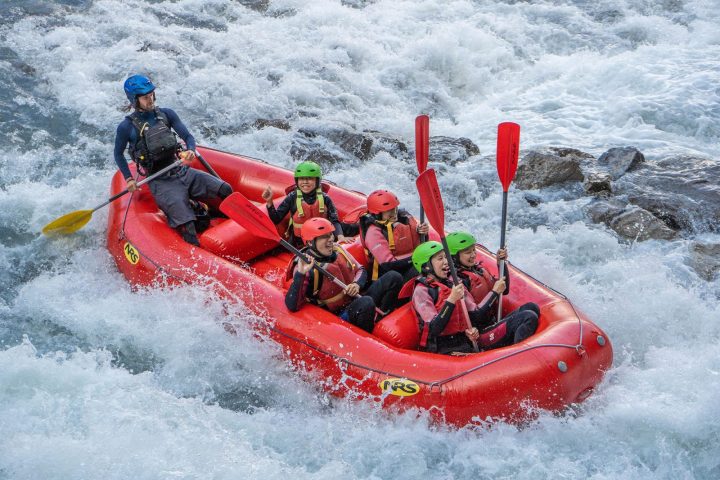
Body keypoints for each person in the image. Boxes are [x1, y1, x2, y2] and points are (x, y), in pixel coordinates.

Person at [114, 74, 232, 246]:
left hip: (181, 171)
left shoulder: (166, 114)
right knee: (188, 226)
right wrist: (129, 179)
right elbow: (118, 154)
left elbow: (188, 136)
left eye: (152, 95)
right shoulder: (126, 127)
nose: (151, 100)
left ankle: (228, 222)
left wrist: (190, 150)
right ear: (135, 100)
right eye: (145, 97)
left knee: (225, 189)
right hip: (160, 181)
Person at [408, 241, 538, 355]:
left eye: (446, 257)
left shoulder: (452, 281)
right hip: (444, 348)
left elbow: (467, 315)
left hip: (465, 339)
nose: (446, 262)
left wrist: (469, 331)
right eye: (440, 259)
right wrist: (451, 300)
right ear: (426, 266)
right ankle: (519, 359)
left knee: (532, 308)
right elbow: (434, 328)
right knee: (528, 316)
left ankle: (518, 355)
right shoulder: (422, 291)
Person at [285, 218, 403, 333]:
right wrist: (301, 274)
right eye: (324, 237)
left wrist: (356, 284)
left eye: (330, 234)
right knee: (366, 303)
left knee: (394, 277)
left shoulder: (338, 249)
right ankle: (369, 337)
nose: (331, 239)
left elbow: (361, 270)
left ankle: (381, 318)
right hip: (338, 315)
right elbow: (292, 305)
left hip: (355, 298)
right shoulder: (304, 266)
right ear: (310, 242)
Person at [446, 231, 540, 344]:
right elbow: (476, 315)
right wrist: (494, 292)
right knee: (528, 317)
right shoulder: (457, 281)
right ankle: (519, 356)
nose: (473, 255)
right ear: (454, 257)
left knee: (532, 307)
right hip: (479, 334)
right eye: (467, 252)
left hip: (493, 322)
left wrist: (501, 264)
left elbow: (504, 290)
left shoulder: (477, 270)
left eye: (473, 250)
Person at [262, 161, 348, 247]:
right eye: (301, 179)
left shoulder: (325, 198)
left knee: (350, 227)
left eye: (310, 178)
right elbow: (276, 219)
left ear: (317, 181)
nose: (305, 182)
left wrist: (340, 236)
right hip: (299, 242)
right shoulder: (292, 197)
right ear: (297, 181)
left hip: (323, 240)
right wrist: (269, 202)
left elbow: (335, 221)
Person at [360, 190, 429, 282]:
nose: (394, 212)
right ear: (378, 213)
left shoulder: (404, 219)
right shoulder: (373, 233)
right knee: (423, 268)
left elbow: (422, 243)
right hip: (389, 276)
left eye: (395, 208)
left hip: (408, 265)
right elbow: (388, 265)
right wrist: (418, 257)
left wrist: (423, 232)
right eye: (389, 210)